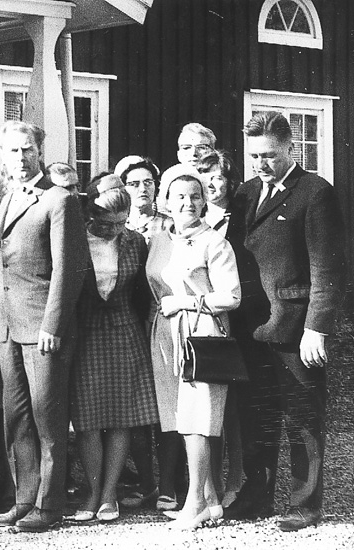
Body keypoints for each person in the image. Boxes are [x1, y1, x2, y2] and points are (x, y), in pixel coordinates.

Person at [226, 112, 345, 532]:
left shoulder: (315, 192)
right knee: (255, 416)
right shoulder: (245, 193)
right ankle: (256, 496)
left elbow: (328, 267)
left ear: (290, 149)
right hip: (251, 327)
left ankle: (305, 504)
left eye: (270, 156)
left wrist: (317, 328)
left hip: (295, 328)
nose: (261, 163)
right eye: (254, 156)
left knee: (302, 417)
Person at [0, 120, 88, 533]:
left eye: (27, 149)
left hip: (44, 329)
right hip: (9, 330)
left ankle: (49, 505)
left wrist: (53, 324)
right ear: (2, 156)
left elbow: (70, 269)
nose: (21, 157)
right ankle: (24, 500)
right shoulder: (6, 198)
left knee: (48, 419)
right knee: (16, 419)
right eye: (12, 150)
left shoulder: (59, 200)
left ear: (39, 151)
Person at [146, 164, 241, 530]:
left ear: (204, 202)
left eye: (195, 196)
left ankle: (195, 503)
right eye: (180, 196)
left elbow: (231, 296)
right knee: (181, 420)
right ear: (166, 201)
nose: (188, 203)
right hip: (165, 337)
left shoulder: (214, 242)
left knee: (199, 420)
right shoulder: (160, 239)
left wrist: (185, 303)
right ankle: (211, 500)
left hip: (201, 335)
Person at [69, 174, 158, 523]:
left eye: (121, 222)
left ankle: (109, 495)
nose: (114, 230)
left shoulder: (135, 241)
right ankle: (92, 492)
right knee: (88, 419)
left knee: (122, 418)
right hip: (86, 332)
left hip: (125, 332)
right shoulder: (75, 240)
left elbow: (142, 293)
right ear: (91, 214)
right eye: (107, 224)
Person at [114, 154, 170, 511]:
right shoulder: (117, 225)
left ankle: (170, 483)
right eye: (133, 183)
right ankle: (146, 481)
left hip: (159, 316)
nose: (142, 189)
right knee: (136, 408)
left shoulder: (168, 224)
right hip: (127, 320)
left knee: (164, 405)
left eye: (148, 182)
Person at [196, 150, 245, 508]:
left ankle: (237, 477)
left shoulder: (242, 217)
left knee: (236, 406)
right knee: (208, 406)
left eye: (217, 176)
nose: (211, 183)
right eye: (205, 176)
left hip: (238, 321)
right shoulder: (192, 220)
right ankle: (208, 483)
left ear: (229, 181)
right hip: (203, 322)